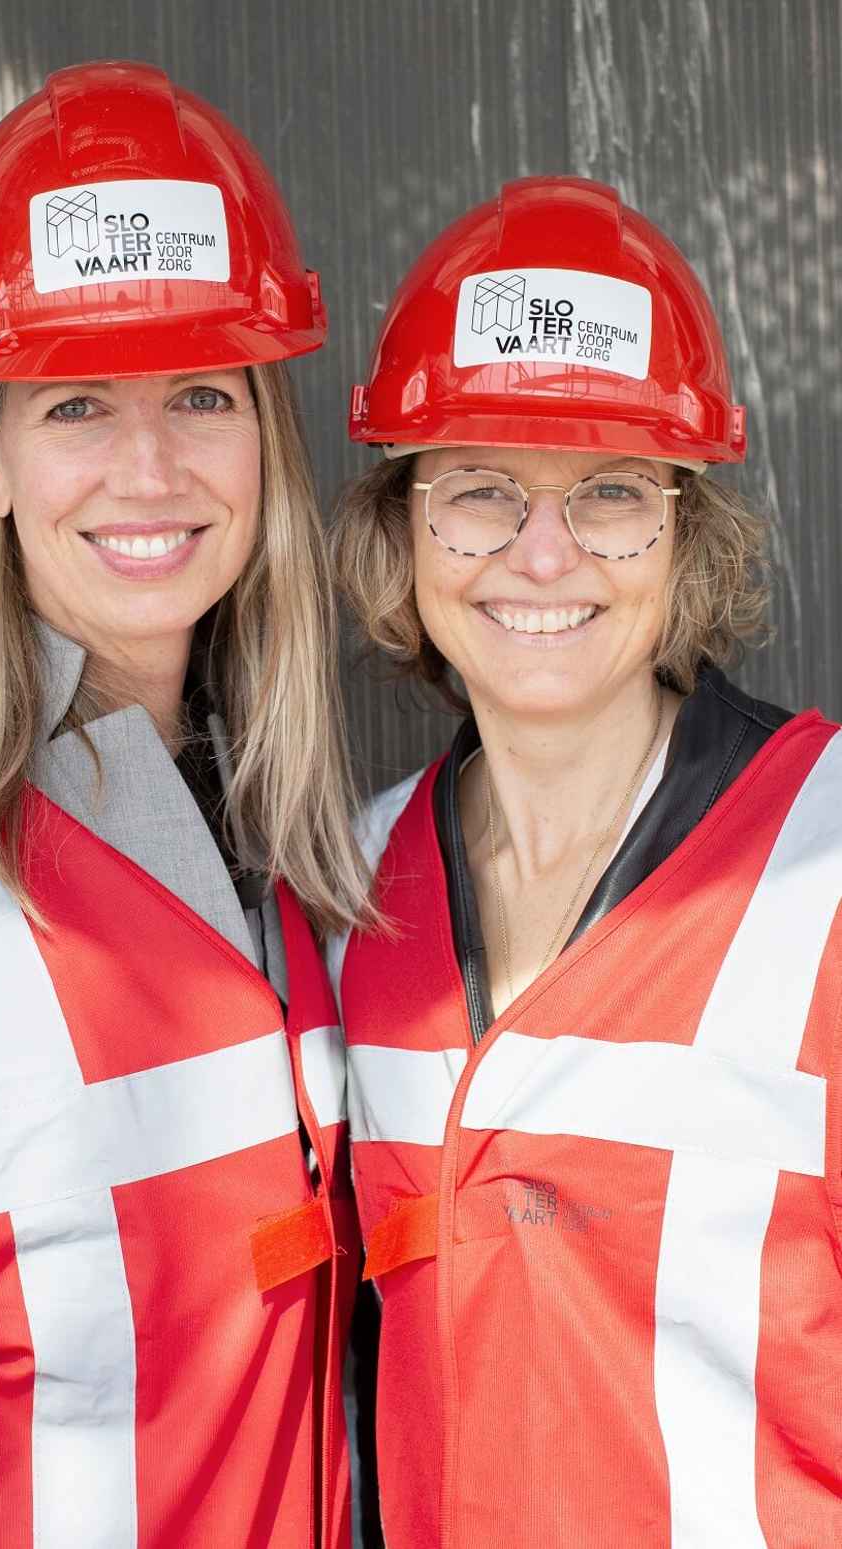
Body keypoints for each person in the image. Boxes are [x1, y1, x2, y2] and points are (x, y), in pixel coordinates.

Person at [0, 60, 366, 1549]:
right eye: (75, 405)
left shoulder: (301, 829)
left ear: (264, 435)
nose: (149, 467)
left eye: (201, 393)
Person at [329, 175, 842, 1547]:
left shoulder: (826, 854)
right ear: (404, 530)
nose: (543, 554)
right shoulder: (346, 899)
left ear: (684, 534)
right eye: (482, 491)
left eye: (609, 492)